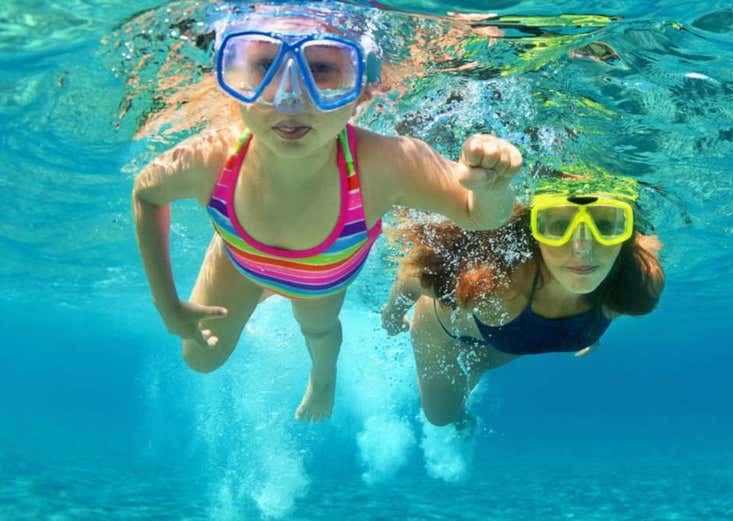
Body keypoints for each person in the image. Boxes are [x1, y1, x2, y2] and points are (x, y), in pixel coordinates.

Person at [131, 9, 522, 422]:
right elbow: (146, 194)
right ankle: (247, 263)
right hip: (240, 258)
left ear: (362, 89)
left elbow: (480, 217)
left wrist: (492, 187)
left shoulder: (383, 165)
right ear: (232, 76)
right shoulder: (211, 159)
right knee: (199, 358)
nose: (290, 96)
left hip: (320, 279)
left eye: (320, 68)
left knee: (317, 331)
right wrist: (167, 305)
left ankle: (323, 380)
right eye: (264, 65)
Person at [381, 172, 665, 427]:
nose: (583, 248)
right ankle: (461, 417)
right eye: (558, 226)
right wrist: (392, 315)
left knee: (478, 362)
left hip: (508, 337)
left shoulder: (638, 280)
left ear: (626, 235)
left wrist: (593, 329)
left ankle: (475, 363)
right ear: (534, 232)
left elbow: (616, 294)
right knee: (441, 417)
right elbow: (413, 276)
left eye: (605, 225)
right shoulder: (496, 283)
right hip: (445, 332)